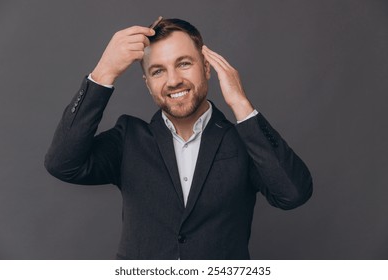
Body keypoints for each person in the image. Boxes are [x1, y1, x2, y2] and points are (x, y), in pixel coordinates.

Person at [45, 18, 313, 260]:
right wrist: (104, 73)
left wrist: (242, 105)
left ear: (206, 68)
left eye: (184, 64)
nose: (173, 80)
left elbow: (293, 194)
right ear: (148, 83)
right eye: (158, 71)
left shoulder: (244, 141)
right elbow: (62, 163)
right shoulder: (128, 139)